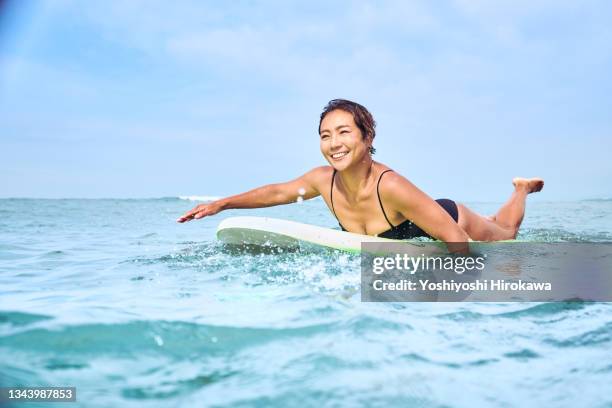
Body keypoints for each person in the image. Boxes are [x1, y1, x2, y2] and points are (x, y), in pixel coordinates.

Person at [177, 99, 543, 251]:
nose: (334, 143)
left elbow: (456, 241)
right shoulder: (323, 180)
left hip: (446, 218)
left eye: (344, 132)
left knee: (505, 235)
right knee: (496, 226)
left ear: (368, 138)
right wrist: (222, 204)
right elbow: (277, 193)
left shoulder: (392, 186)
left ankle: (521, 189)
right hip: (413, 228)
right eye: (325, 135)